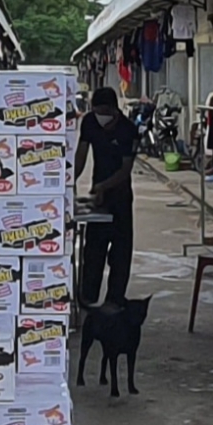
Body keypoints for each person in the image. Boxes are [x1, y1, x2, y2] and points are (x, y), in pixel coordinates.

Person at [74, 86, 139, 307]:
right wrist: (68, 180)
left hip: (119, 196)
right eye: (96, 110)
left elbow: (125, 169)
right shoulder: (90, 122)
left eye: (103, 111)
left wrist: (104, 186)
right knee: (93, 250)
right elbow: (81, 154)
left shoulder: (128, 130)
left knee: (120, 252)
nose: (99, 116)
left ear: (113, 109)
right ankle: (88, 298)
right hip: (98, 198)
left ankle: (114, 300)